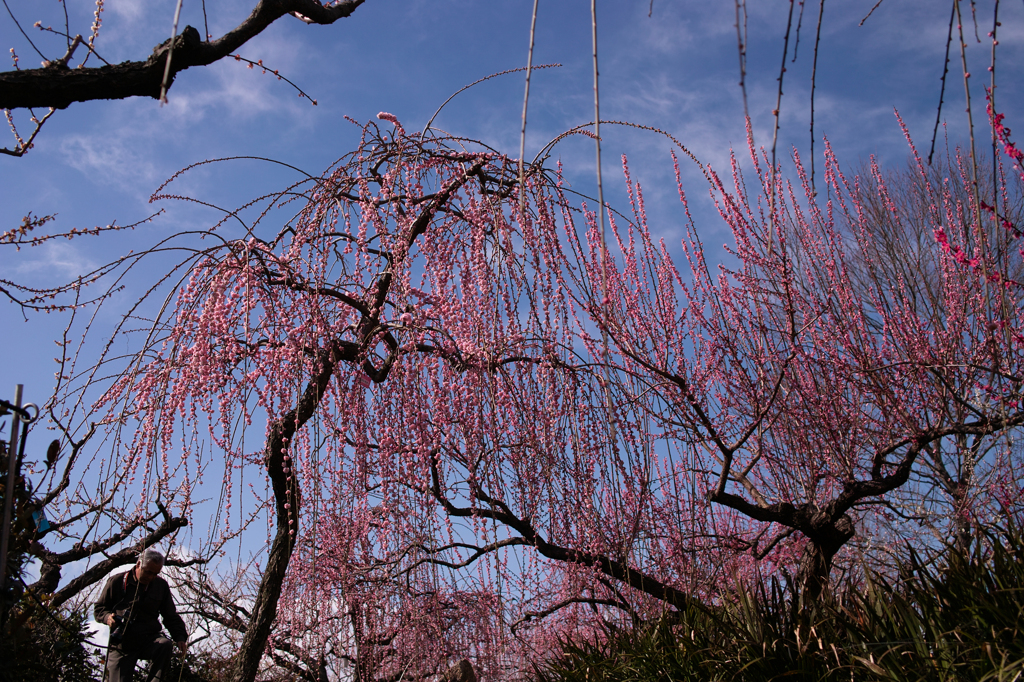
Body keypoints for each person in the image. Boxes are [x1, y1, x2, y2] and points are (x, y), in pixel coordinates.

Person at [95, 548, 188, 682]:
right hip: (122, 644)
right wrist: (108, 618)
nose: (150, 577)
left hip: (148, 639)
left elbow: (170, 615)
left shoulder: (161, 586)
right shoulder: (117, 581)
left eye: (155, 574)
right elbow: (100, 609)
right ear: (138, 564)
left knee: (165, 644)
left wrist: (180, 637)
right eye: (148, 572)